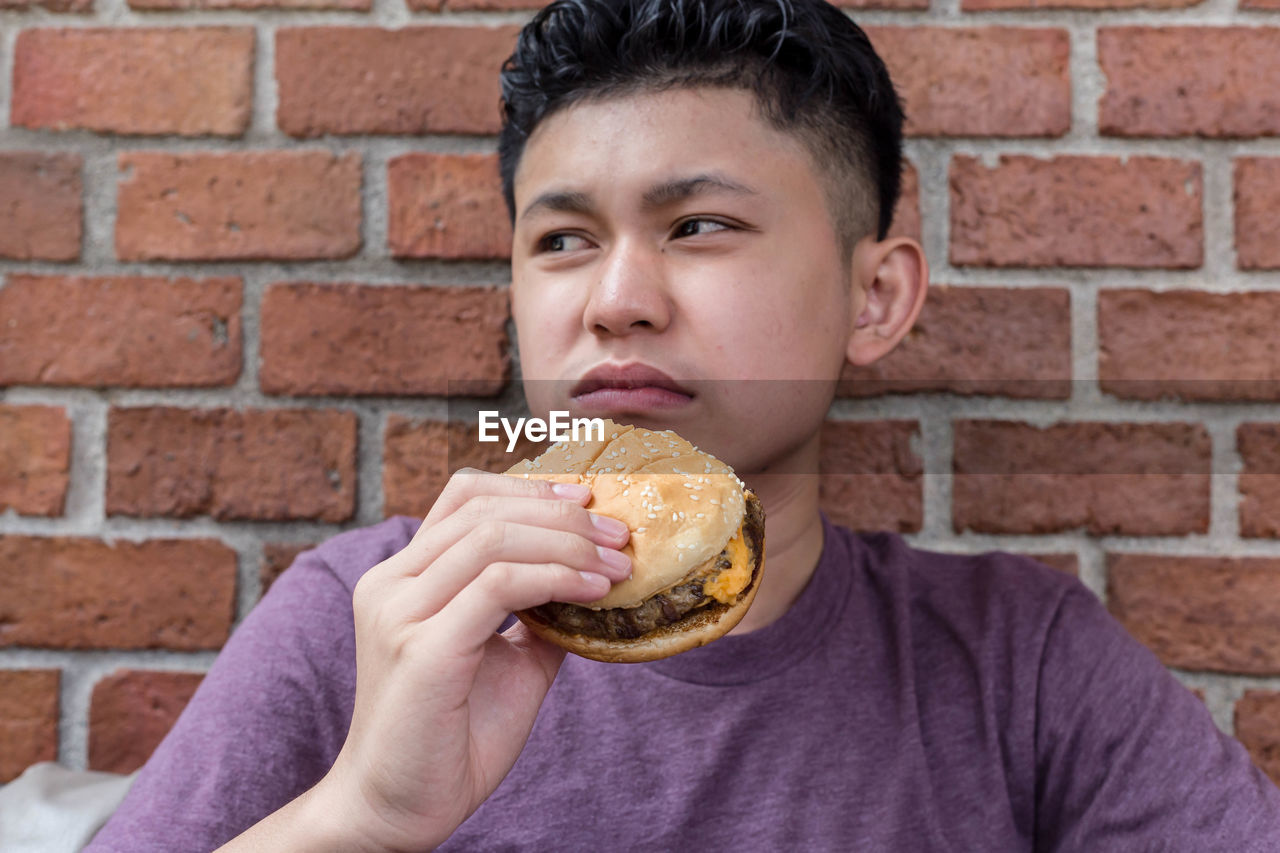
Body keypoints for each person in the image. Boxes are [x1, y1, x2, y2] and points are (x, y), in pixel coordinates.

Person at [85, 0, 1280, 849]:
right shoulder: (370, 614)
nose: (614, 300)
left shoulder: (1017, 663)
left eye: (699, 225)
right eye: (561, 241)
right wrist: (362, 820)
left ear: (875, 296)